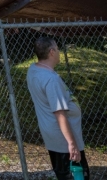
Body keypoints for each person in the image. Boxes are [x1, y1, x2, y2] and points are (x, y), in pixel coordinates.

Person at [26, 34, 88, 179]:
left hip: (54, 138)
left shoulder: (33, 70)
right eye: (58, 49)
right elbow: (60, 113)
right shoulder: (50, 79)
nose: (59, 52)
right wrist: (72, 144)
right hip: (64, 143)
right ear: (52, 52)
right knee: (78, 176)